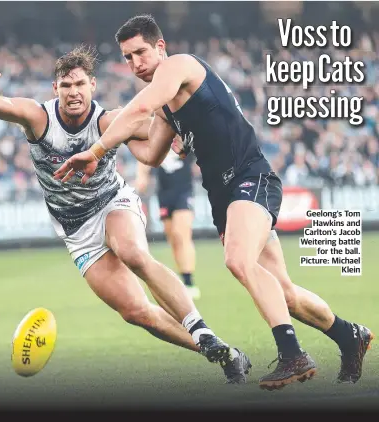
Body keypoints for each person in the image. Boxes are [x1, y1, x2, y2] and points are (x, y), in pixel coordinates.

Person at [54, 17, 374, 390]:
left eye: (140, 52)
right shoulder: (168, 109)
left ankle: (293, 354)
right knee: (284, 292)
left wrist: (96, 147)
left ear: (160, 47)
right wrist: (117, 136)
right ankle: (349, 335)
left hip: (250, 178)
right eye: (127, 57)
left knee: (237, 261)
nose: (135, 63)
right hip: (224, 196)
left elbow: (139, 108)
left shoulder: (179, 66)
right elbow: (151, 154)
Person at [0, 46, 251, 384]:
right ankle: (219, 350)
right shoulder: (39, 118)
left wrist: (186, 133)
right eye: (65, 86)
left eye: (79, 84)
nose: (73, 92)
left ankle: (199, 327)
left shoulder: (109, 120)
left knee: (132, 252)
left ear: (92, 85)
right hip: (77, 230)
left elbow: (160, 129)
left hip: (113, 203)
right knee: (138, 313)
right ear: (55, 90)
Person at [135, 139, 200, 299]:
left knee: (181, 234)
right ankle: (182, 278)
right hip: (164, 194)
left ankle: (189, 281)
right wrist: (141, 177)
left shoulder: (185, 134)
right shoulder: (156, 135)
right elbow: (144, 157)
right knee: (173, 238)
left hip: (184, 191)